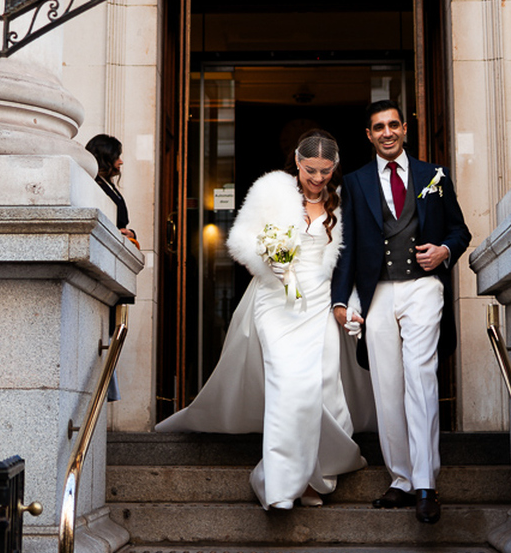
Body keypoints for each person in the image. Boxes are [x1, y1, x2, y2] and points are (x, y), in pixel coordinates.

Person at [156, 130, 373, 510]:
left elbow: (348, 260)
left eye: (325, 171)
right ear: (297, 162)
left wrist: (347, 301)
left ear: (335, 167)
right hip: (276, 301)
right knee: (288, 386)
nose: (318, 179)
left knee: (320, 389)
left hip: (319, 302)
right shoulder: (272, 189)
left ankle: (310, 477)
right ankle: (279, 485)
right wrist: (269, 260)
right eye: (310, 171)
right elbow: (239, 238)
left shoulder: (343, 203)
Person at [330, 99, 471, 525]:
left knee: (421, 379)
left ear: (405, 129)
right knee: (387, 387)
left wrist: (444, 249)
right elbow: (347, 245)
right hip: (378, 294)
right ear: (369, 135)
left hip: (423, 289)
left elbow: (459, 229)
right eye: (379, 127)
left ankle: (426, 483)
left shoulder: (434, 176)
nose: (387, 132)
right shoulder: (354, 183)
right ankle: (401, 480)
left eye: (393, 125)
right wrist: (340, 300)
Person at [86, 133, 139, 248]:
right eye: (117, 157)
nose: (121, 161)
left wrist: (131, 234)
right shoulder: (93, 184)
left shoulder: (108, 185)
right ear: (106, 158)